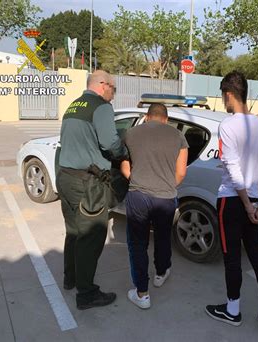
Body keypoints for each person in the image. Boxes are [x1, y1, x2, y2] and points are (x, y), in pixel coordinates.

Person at [205, 71, 258, 338]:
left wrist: (249, 204)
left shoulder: (227, 125)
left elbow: (233, 168)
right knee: (257, 256)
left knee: (232, 258)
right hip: (255, 200)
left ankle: (233, 310)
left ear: (228, 95)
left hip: (232, 200)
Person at [56, 70, 126, 310]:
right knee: (91, 237)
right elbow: (110, 143)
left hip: (65, 178)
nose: (113, 94)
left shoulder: (74, 105)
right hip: (88, 184)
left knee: (73, 233)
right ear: (103, 85)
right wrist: (124, 152)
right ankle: (86, 294)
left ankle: (71, 279)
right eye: (113, 89)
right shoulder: (101, 106)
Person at [121, 103, 188, 309]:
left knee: (138, 244)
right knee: (162, 236)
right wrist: (166, 186)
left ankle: (142, 293)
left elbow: (124, 165)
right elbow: (181, 172)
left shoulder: (130, 133)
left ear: (147, 117)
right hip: (165, 197)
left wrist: (138, 181)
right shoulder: (178, 137)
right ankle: (161, 273)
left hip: (138, 195)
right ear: (166, 119)